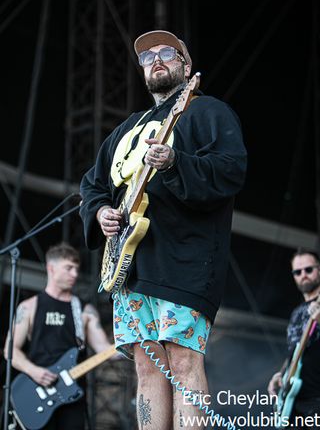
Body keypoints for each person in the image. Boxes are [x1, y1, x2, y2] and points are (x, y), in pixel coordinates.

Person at [79, 29, 247, 429]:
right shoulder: (126, 130)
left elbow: (230, 170)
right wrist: (100, 210)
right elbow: (92, 185)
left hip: (184, 258)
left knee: (183, 357)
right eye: (146, 57)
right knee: (146, 364)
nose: (155, 60)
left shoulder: (209, 112)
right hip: (132, 267)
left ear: (185, 66)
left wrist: (175, 163)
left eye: (166, 53)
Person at [4, 242, 114, 430]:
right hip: (36, 388)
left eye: (76, 269)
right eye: (68, 268)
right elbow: (10, 350)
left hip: (72, 395)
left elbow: (104, 349)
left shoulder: (85, 310)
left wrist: (128, 345)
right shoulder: (29, 306)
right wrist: (33, 371)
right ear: (51, 268)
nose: (75, 274)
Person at [268, 249, 320, 427]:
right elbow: (294, 351)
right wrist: (281, 374)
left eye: (309, 270)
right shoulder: (296, 313)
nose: (303, 275)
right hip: (292, 400)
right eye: (297, 272)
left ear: (319, 270)